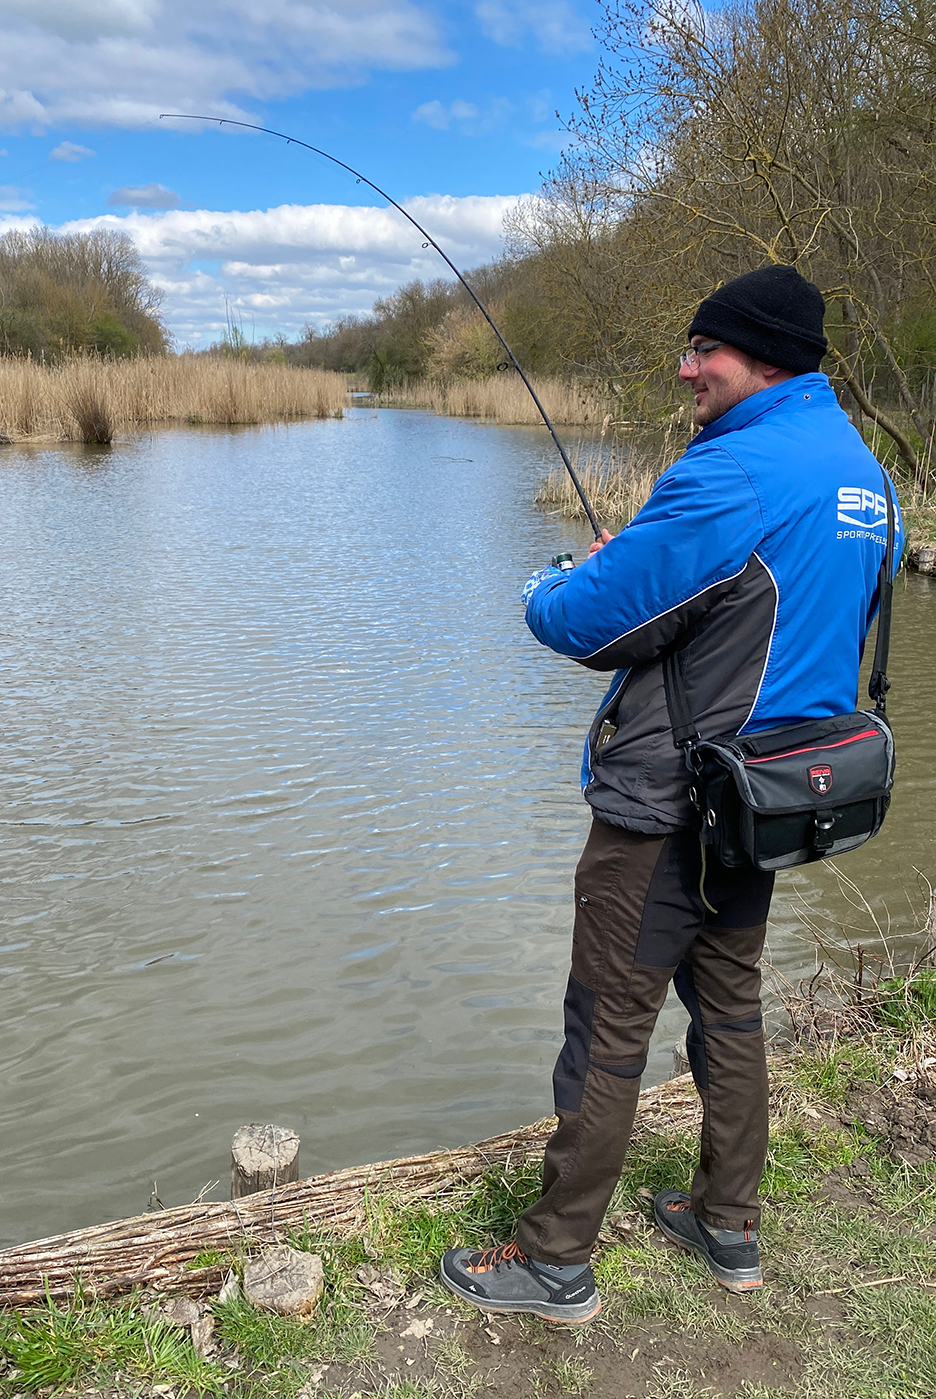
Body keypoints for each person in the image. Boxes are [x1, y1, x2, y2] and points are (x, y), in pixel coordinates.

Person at [439, 265, 903, 1324]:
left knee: (605, 1026)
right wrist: (645, 566)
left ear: (762, 358)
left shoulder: (732, 473)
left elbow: (586, 623)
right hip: (773, 802)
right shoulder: (865, 476)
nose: (684, 367)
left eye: (705, 350)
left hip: (667, 807)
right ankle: (726, 1224)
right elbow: (765, 614)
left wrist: (553, 575)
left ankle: (554, 1262)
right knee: (729, 1007)